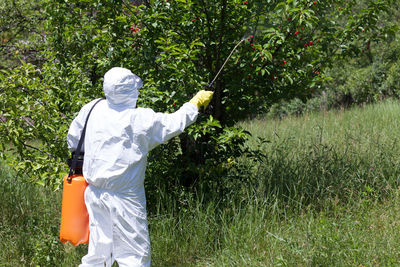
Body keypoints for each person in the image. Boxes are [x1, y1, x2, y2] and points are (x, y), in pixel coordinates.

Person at [67, 67, 213, 267]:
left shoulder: (92, 107)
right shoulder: (140, 119)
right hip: (125, 198)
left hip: (94, 194)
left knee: (98, 255)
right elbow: (174, 123)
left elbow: (73, 141)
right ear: (130, 91)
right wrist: (194, 104)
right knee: (134, 257)